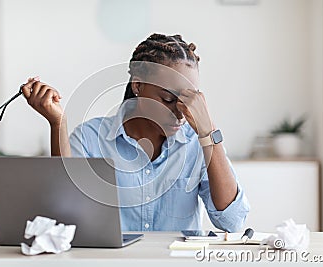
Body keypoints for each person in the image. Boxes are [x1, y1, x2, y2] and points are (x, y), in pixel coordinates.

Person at [21, 33, 249, 232]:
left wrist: (209, 132)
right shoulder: (91, 138)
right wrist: (57, 123)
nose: (180, 112)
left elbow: (232, 221)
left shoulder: (199, 143)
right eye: (168, 99)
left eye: (189, 100)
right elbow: (62, 215)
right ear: (138, 85)